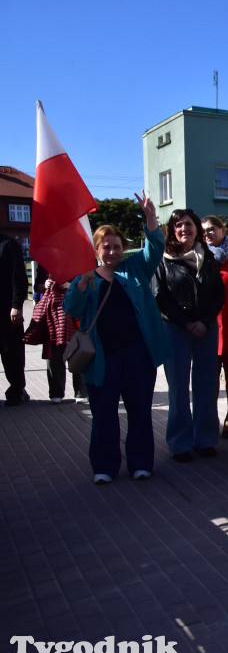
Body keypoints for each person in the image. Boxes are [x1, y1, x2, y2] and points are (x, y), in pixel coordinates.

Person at [64, 192, 170, 483]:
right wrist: (82, 284)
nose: (111, 252)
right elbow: (71, 308)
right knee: (103, 413)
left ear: (124, 248)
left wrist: (150, 220)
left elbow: (155, 250)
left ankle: (140, 463)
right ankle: (104, 466)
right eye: (106, 247)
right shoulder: (85, 276)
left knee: (139, 412)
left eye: (116, 246)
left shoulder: (134, 268)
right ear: (97, 249)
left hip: (137, 355)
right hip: (101, 358)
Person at [153, 208, 225, 462]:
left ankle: (205, 439)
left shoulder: (208, 256)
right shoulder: (162, 259)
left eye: (188, 224)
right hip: (175, 328)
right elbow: (160, 296)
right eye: (178, 225)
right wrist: (186, 323)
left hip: (205, 328)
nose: (184, 229)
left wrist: (204, 321)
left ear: (197, 227)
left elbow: (218, 293)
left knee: (206, 385)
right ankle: (180, 443)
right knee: (179, 388)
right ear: (172, 230)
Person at [201, 215, 228, 439]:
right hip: (208, 324)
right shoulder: (200, 255)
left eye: (211, 229)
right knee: (210, 375)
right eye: (204, 230)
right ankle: (210, 416)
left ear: (222, 229)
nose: (207, 233)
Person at [23, 267, 87, 403]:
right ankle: (56, 392)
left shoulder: (77, 261)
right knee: (54, 353)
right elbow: (37, 287)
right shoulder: (45, 263)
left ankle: (81, 392)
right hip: (51, 313)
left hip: (74, 311)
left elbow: (89, 284)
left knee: (78, 351)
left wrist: (72, 285)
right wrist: (44, 285)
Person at [0, 230, 28, 406]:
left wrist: (17, 305)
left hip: (6, 311)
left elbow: (19, 278)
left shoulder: (8, 244)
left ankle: (17, 391)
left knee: (12, 354)